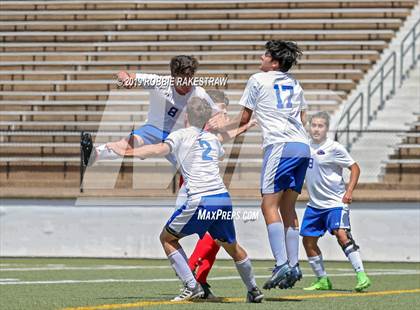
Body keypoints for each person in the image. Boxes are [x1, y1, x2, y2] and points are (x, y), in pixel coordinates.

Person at [109, 97, 264, 303]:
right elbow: (216, 154)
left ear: (186, 117)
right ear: (207, 118)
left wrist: (128, 151)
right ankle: (253, 289)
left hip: (201, 199)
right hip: (222, 198)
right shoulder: (211, 139)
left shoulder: (180, 135)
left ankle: (192, 287)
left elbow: (157, 149)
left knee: (167, 238)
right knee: (231, 245)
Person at [208, 40, 310, 290]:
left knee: (268, 205)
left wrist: (221, 126)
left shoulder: (257, 79)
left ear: (274, 61)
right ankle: (294, 265)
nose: (261, 57)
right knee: (288, 208)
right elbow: (302, 118)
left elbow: (245, 117)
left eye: (265, 55)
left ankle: (282, 263)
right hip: (302, 145)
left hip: (279, 146)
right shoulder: (295, 83)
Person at [81, 55, 219, 166]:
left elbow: (217, 114)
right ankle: (95, 154)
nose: (187, 84)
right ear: (173, 77)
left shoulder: (199, 93)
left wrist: (213, 123)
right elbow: (124, 74)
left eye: (190, 79)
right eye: (182, 80)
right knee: (127, 143)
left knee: (191, 170)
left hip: (179, 136)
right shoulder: (160, 82)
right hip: (153, 129)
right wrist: (126, 80)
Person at [186, 89, 256, 299]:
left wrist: (244, 126)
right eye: (220, 111)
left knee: (217, 238)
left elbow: (222, 136)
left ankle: (201, 280)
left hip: (209, 184)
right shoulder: (200, 122)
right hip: (197, 184)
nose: (222, 116)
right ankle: (190, 273)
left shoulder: (207, 126)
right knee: (213, 236)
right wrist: (243, 119)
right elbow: (223, 130)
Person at [301, 111, 371, 292]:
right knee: (308, 242)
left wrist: (349, 191)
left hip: (335, 203)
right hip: (314, 205)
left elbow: (355, 168)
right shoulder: (305, 146)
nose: (316, 129)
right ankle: (322, 280)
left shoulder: (335, 147)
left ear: (327, 128)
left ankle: (361, 275)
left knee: (342, 235)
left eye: (320, 126)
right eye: (314, 125)